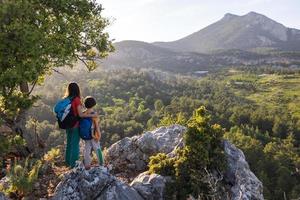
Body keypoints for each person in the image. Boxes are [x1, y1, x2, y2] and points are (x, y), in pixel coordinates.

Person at [63, 83, 97, 168]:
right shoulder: (76, 99)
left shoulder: (67, 99)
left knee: (69, 144)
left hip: (67, 125)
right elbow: (81, 115)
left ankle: (67, 162)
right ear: (77, 89)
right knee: (75, 145)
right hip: (75, 125)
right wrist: (92, 115)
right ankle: (74, 165)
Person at [82, 96, 104, 169]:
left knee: (87, 150)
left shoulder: (83, 114)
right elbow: (96, 125)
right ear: (93, 104)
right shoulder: (94, 114)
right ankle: (101, 163)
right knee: (97, 149)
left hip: (86, 136)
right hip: (93, 135)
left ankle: (87, 165)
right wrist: (99, 135)